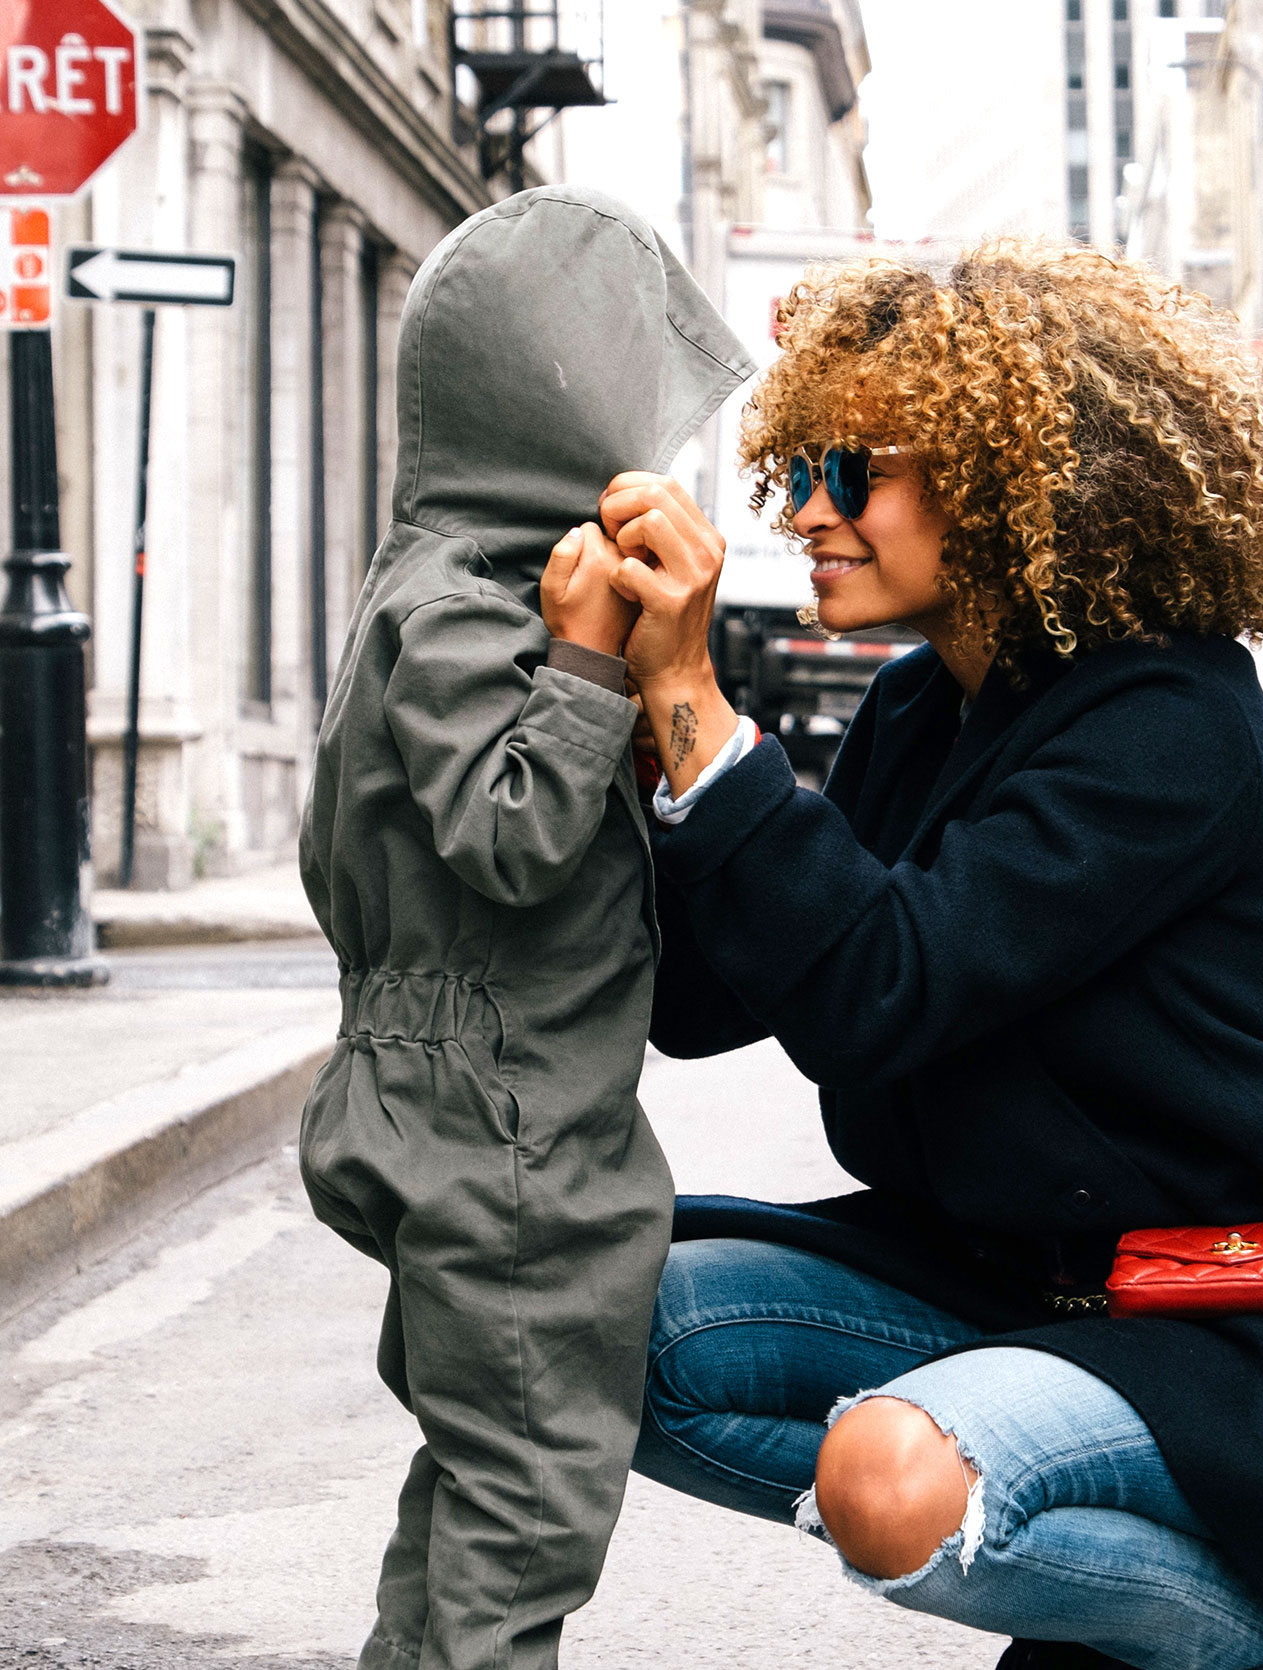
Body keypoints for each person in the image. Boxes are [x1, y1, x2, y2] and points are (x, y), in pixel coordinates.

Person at [599, 243, 1263, 1670]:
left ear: (1011, 483)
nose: (805, 511)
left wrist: (700, 700)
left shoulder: (1169, 727)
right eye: (796, 468)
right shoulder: (919, 714)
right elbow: (707, 999)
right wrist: (628, 721)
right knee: (605, 1330)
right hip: (1018, 1293)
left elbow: (881, 986)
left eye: (851, 469)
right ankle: (1075, 1555)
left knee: (887, 1479)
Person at [296, 187, 751, 1670]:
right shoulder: (477, 609)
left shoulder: (428, 583)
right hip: (504, 1129)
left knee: (476, 1479)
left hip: (448, 1096)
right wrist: (585, 659)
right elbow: (510, 834)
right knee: (530, 1501)